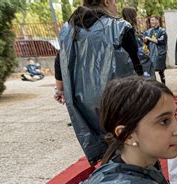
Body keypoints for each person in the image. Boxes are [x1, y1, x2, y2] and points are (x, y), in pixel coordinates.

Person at [54, 0, 143, 165]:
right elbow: (136, 65)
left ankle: (111, 174)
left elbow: (60, 60)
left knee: (104, 148)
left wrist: (59, 89)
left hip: (82, 102)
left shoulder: (67, 30)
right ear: (107, 1)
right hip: (118, 99)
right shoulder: (119, 27)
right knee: (131, 143)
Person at [122, 7, 155, 78]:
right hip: (139, 66)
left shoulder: (131, 28)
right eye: (136, 15)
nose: (137, 18)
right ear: (132, 16)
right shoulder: (129, 29)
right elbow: (135, 50)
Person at [144, 15, 168, 84]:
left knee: (161, 71)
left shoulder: (162, 31)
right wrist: (145, 40)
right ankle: (154, 86)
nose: (152, 22)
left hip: (160, 54)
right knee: (151, 70)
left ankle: (164, 85)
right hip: (151, 54)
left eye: (153, 20)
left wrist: (149, 39)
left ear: (157, 20)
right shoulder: (149, 31)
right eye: (151, 20)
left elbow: (161, 41)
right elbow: (146, 43)